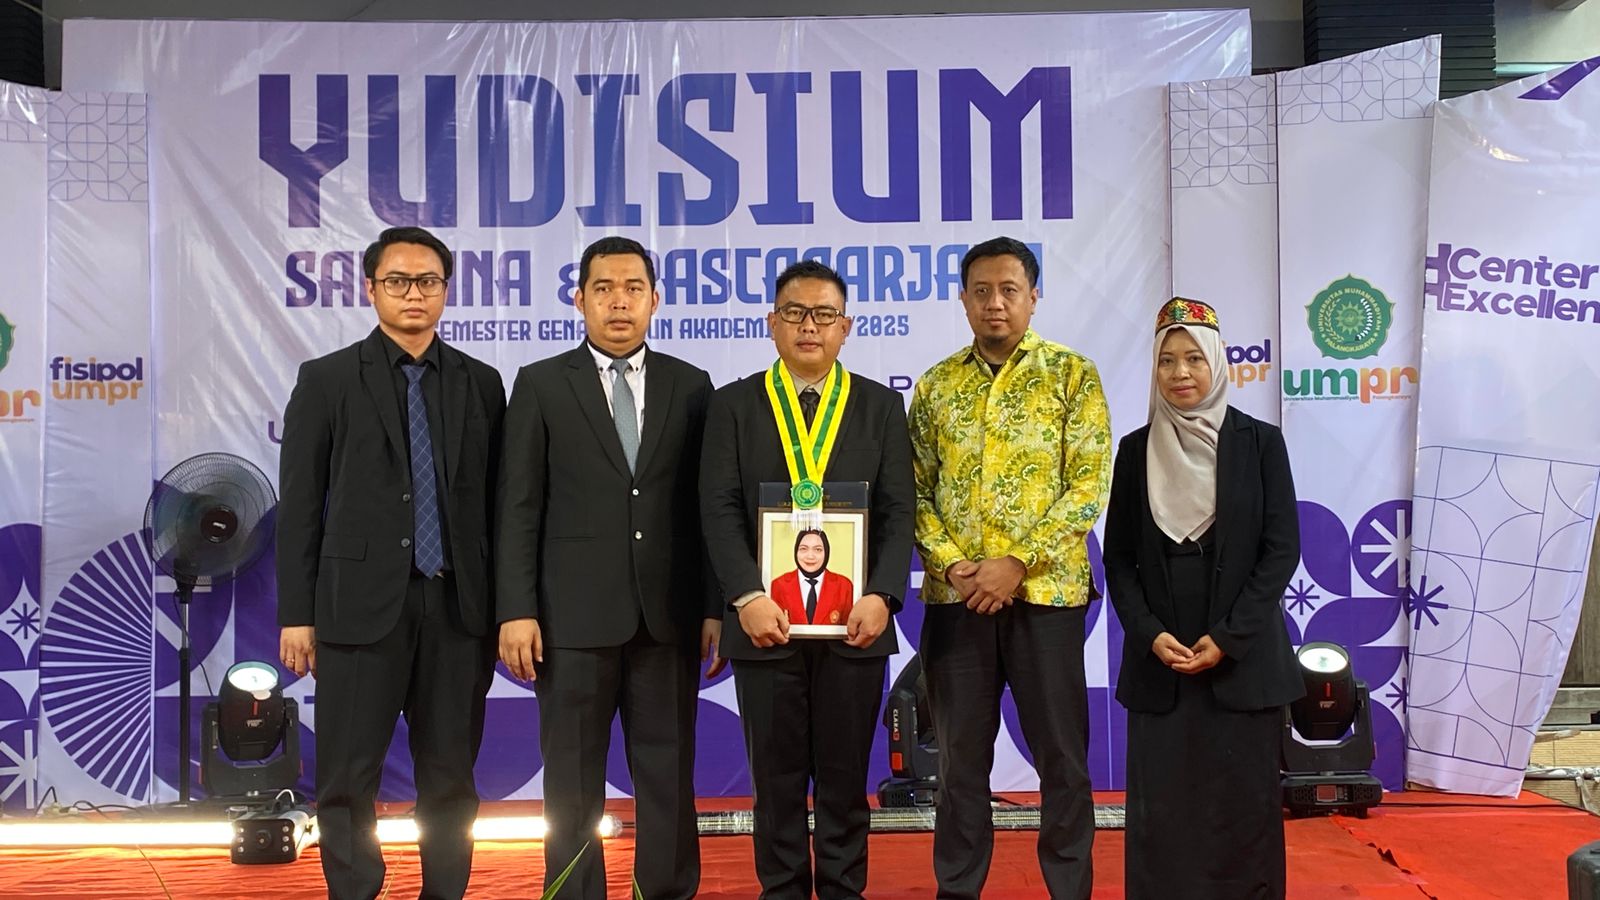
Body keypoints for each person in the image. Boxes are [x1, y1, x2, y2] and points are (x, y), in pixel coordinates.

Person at [276, 226, 506, 900]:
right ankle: (355, 889)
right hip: (356, 607)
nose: (414, 293)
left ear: (445, 290)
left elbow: (500, 504)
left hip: (458, 608)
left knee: (451, 777)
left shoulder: (482, 383)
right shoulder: (326, 380)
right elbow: (300, 507)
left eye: (427, 281)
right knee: (348, 776)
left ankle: (445, 891)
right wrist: (297, 614)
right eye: (398, 281)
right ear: (371, 288)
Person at [495, 236, 717, 900]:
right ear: (579, 299)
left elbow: (708, 508)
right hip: (569, 622)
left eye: (632, 288)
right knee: (571, 781)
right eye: (603, 288)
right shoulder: (540, 384)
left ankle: (665, 891)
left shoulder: (691, 385)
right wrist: (516, 609)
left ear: (655, 300)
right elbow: (518, 507)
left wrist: (713, 607)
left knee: (668, 775)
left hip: (667, 618)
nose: (619, 302)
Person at [700, 259, 914, 899]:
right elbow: (718, 508)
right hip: (764, 625)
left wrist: (882, 594)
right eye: (795, 313)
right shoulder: (733, 404)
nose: (809, 326)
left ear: (846, 326)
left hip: (855, 626)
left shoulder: (879, 405)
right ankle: (783, 891)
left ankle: (845, 890)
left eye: (824, 314)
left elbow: (900, 509)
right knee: (776, 783)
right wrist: (745, 595)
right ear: (772, 323)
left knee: (845, 782)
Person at [908, 237, 1111, 900]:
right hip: (957, 602)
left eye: (1009, 290)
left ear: (1034, 296)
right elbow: (914, 493)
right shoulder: (935, 386)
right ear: (964, 299)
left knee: (1063, 760)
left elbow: (1087, 486)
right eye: (982, 291)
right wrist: (956, 566)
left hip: (1046, 599)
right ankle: (958, 889)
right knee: (959, 765)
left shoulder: (1072, 375)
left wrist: (1017, 564)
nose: (995, 303)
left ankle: (1070, 889)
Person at [1102, 297, 1303, 900]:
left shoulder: (1260, 443)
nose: (1180, 372)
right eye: (1167, 360)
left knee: (1244, 811)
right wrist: (1148, 634)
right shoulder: (1136, 450)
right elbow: (1119, 559)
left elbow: (1280, 550)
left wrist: (1229, 637)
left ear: (1217, 362)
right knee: (1162, 814)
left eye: (1194, 358)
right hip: (1161, 661)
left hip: (1241, 659)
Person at [769, 528, 856, 626]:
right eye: (803, 549)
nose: (810, 556)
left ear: (826, 552)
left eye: (818, 550)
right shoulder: (778, 585)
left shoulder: (844, 586)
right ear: (796, 552)